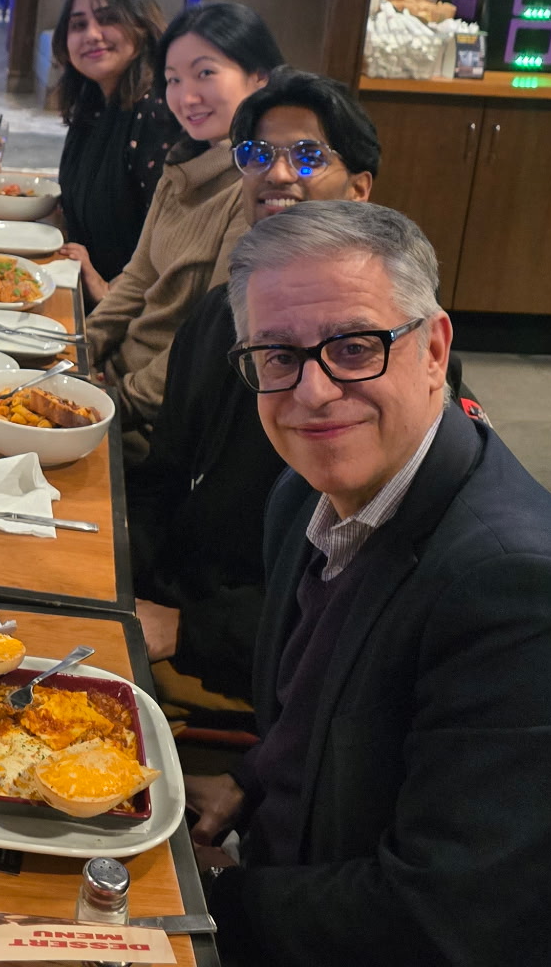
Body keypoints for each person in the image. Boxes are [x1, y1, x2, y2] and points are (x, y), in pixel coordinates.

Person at [187, 201, 551, 965]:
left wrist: (205, 898)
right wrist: (250, 781)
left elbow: (442, 920)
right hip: (299, 877)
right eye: (277, 356)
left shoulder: (527, 598)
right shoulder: (309, 493)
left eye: (353, 346)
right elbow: (334, 702)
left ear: (434, 349)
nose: (313, 392)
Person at [132, 71, 377, 716]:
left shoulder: (378, 353)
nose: (277, 174)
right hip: (169, 598)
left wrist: (189, 629)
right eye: (257, 154)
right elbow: (166, 475)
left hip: (263, 657)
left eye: (307, 156)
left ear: (360, 190)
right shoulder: (220, 316)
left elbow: (362, 579)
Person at [83, 2, 282, 432]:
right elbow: (137, 277)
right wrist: (80, 348)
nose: (185, 96)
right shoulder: (184, 163)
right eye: (173, 79)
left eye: (205, 73)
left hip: (154, 420)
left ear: (260, 77)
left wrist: (117, 405)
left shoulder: (256, 189)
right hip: (111, 383)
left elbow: (212, 343)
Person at [49, 0, 177, 303]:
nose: (92, 34)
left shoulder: (157, 113)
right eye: (78, 25)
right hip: (76, 287)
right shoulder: (92, 105)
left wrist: (107, 290)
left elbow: (169, 241)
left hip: (126, 316)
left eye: (108, 20)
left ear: (141, 28)